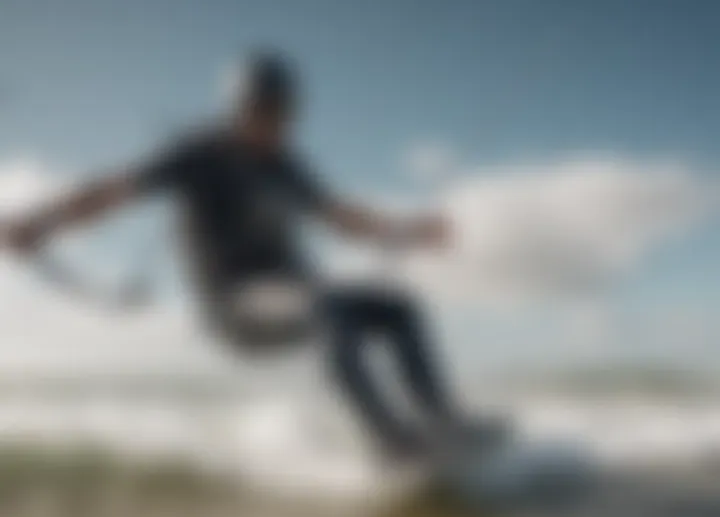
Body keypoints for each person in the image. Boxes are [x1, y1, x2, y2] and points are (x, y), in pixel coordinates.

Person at [2, 51, 504, 460]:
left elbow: (340, 216)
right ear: (239, 109)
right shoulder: (197, 154)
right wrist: (39, 223)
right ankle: (391, 442)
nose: (275, 125)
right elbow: (113, 190)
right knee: (325, 308)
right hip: (237, 308)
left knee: (399, 308)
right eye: (264, 112)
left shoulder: (287, 165)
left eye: (284, 113)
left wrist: (408, 230)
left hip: (298, 297)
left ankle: (443, 422)